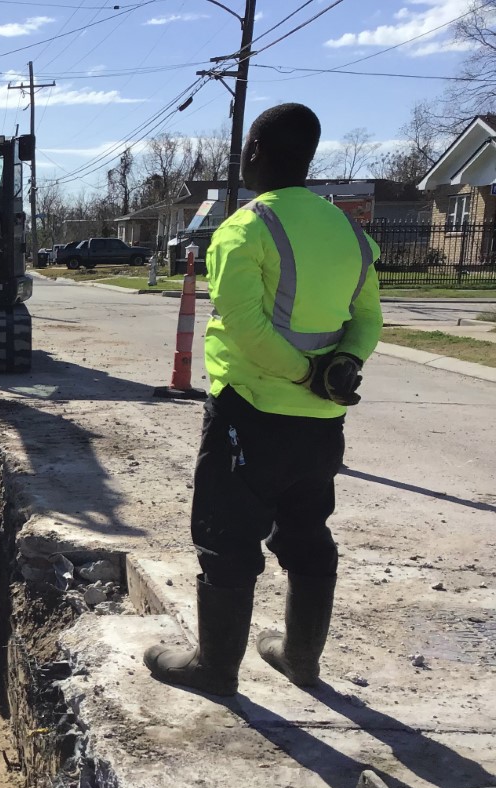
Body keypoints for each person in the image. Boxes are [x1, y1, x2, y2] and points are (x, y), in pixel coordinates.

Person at [143, 102, 383, 697]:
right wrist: (341, 367)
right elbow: (368, 319)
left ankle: (215, 669)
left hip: (248, 414)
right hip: (321, 422)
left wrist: (302, 372)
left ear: (253, 151)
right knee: (307, 531)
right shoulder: (348, 232)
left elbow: (247, 328)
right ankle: (300, 658)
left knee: (226, 535)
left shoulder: (246, 229)